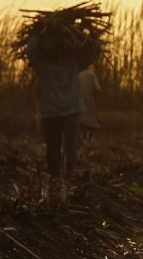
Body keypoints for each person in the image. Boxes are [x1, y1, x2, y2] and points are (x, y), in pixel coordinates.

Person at [25, 31, 99, 192]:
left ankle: (61, 178)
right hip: (60, 110)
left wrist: (40, 32)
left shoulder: (60, 60)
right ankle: (60, 178)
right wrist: (90, 39)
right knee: (61, 147)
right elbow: (91, 54)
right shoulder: (54, 61)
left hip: (61, 110)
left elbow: (91, 53)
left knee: (59, 147)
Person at [79, 65, 103, 143]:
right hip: (90, 102)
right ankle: (88, 139)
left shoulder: (79, 75)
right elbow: (97, 89)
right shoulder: (92, 76)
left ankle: (82, 139)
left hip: (80, 102)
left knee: (82, 121)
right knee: (91, 121)